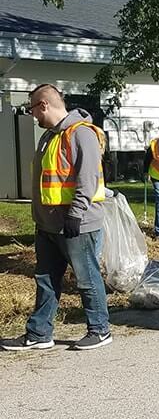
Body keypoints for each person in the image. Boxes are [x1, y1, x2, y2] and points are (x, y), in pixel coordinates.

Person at [1, 84, 112, 351]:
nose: (33, 116)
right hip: (48, 224)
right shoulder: (49, 137)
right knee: (46, 279)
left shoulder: (80, 134)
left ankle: (100, 329)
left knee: (86, 278)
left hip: (77, 223)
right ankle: (39, 333)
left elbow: (88, 178)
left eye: (32, 110)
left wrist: (75, 214)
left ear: (44, 105)